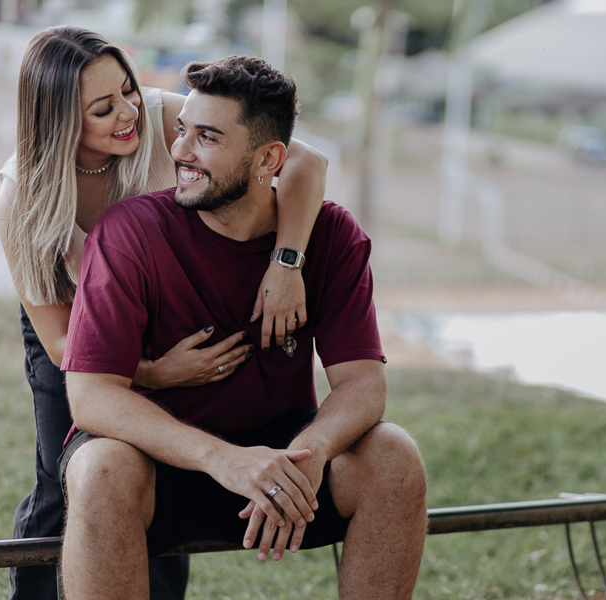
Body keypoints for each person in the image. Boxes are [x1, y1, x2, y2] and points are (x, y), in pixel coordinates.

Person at [57, 55, 428, 599]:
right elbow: (90, 396)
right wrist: (223, 459)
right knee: (99, 468)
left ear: (269, 158)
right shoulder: (128, 233)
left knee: (393, 456)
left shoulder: (331, 236)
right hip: (164, 462)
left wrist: (311, 455)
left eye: (206, 137)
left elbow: (363, 384)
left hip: (283, 456)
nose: (179, 150)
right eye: (182, 130)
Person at [0, 26, 328, 600]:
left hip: (159, 315)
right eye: (104, 108)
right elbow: (58, 343)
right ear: (59, 121)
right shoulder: (22, 193)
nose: (129, 112)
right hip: (77, 331)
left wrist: (286, 262)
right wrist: (151, 374)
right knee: (67, 477)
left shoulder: (162, 117)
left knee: (155, 465)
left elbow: (306, 163)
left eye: (127, 88)